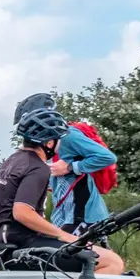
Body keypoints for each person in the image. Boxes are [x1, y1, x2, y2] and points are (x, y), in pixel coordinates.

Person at [0, 102, 124, 274]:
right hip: (23, 247)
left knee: (81, 253)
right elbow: (21, 212)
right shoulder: (37, 167)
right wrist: (62, 235)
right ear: (49, 142)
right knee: (111, 262)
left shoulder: (13, 161)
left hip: (3, 244)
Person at [12, 92, 117, 236]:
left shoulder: (68, 136)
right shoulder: (45, 142)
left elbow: (107, 157)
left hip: (84, 214)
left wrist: (70, 167)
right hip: (64, 215)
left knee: (66, 254)